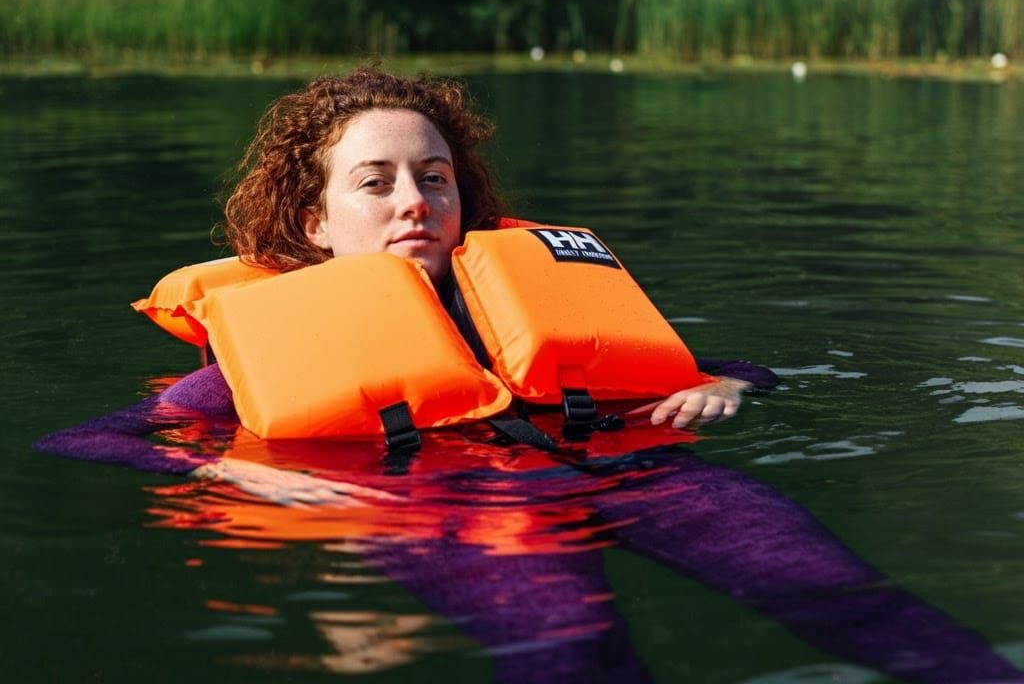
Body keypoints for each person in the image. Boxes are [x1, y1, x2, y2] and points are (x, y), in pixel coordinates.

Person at [36, 66, 1022, 684]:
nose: (414, 200)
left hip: (647, 477)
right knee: (573, 655)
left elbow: (730, 365)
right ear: (315, 222)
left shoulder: (525, 298)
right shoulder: (270, 353)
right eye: (376, 183)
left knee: (849, 600)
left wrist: (727, 387)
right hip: (457, 515)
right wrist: (238, 472)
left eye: (434, 177)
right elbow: (91, 440)